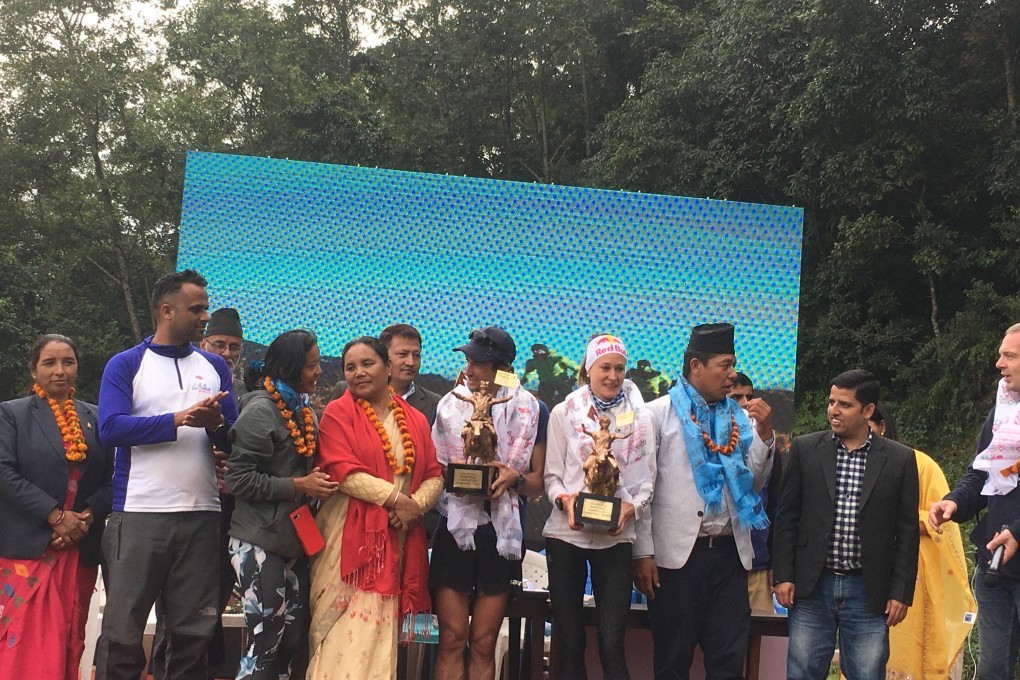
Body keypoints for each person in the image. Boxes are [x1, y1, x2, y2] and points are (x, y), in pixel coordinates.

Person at [95, 269, 239, 680]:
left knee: (191, 637)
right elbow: (111, 428)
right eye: (197, 309)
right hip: (138, 513)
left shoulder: (214, 366)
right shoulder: (126, 364)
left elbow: (232, 442)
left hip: (202, 515)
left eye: (206, 308)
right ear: (166, 311)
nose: (205, 317)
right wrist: (177, 419)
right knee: (123, 634)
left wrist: (213, 426)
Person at [634, 322, 775, 680]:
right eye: (724, 365)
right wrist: (643, 553)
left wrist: (764, 436)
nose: (731, 375)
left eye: (732, 366)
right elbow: (642, 490)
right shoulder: (657, 414)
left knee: (728, 662)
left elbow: (753, 482)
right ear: (696, 366)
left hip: (729, 555)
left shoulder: (739, 417)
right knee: (673, 661)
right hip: (677, 559)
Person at [307, 336, 443, 679]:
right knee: (339, 634)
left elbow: (434, 476)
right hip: (345, 546)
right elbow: (343, 471)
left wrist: (414, 507)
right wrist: (399, 501)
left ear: (387, 368)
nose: (358, 373)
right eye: (349, 367)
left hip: (394, 541)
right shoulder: (338, 412)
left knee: (380, 635)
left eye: (367, 364)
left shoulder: (414, 419)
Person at [773, 370, 919, 680]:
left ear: (868, 411)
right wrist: (783, 574)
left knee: (867, 673)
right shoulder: (806, 449)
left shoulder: (899, 459)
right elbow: (786, 517)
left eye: (845, 404)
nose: (834, 411)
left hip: (869, 589)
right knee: (802, 672)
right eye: (831, 402)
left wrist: (901, 591)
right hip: (812, 585)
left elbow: (907, 532)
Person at [0, 334, 115, 679]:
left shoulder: (98, 417)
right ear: (33, 369)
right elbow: (3, 471)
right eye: (49, 362)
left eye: (68, 362)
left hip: (79, 546)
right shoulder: (11, 414)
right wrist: (54, 516)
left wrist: (86, 517)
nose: (60, 370)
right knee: (21, 641)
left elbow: (117, 477)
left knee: (69, 636)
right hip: (28, 547)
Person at [226, 329, 338, 679]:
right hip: (259, 539)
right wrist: (298, 485)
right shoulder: (261, 409)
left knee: (291, 641)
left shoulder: (303, 411)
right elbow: (238, 479)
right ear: (290, 368)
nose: (318, 372)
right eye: (311, 366)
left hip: (293, 541)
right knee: (265, 641)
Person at [543, 334, 656, 679]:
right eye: (605, 367)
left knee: (611, 641)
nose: (613, 375)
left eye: (619, 368)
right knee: (571, 641)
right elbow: (552, 478)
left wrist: (629, 509)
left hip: (615, 537)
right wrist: (566, 501)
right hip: (566, 535)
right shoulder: (565, 412)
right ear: (588, 368)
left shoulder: (640, 418)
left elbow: (648, 482)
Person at [431, 327, 541, 680]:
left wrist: (515, 479)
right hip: (455, 527)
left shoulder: (531, 408)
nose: (470, 369)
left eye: (479, 363)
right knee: (450, 638)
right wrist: (453, 480)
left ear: (503, 367)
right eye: (468, 360)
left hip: (500, 533)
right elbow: (436, 468)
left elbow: (540, 480)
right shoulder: (450, 405)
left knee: (482, 641)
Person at [153, 305, 248, 680]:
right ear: (203, 341)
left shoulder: (249, 390)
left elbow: (246, 444)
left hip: (226, 506)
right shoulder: (177, 378)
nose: (226, 353)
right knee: (174, 600)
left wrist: (229, 449)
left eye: (234, 348)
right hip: (176, 500)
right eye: (220, 344)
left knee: (214, 596)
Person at [929, 323, 1020, 680]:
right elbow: (980, 474)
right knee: (992, 670)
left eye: (1009, 356)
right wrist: (953, 503)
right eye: (1001, 354)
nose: (998, 363)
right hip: (995, 569)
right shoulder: (1002, 415)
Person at [864, 402, 974, 680]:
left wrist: (888, 520)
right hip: (867, 571)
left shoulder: (920, 465)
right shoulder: (853, 462)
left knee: (911, 656)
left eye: (867, 430)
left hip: (914, 575)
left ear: (882, 426)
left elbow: (939, 520)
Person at [728, 372, 783, 613]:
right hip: (718, 560)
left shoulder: (768, 446)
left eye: (749, 396)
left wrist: (775, 563)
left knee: (755, 640)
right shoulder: (703, 441)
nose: (744, 403)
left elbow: (776, 507)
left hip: (757, 565)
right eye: (736, 396)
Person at [381, 323, 443, 424]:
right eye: (403, 354)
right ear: (383, 356)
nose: (411, 362)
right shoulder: (362, 394)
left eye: (416, 355)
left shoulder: (434, 404)